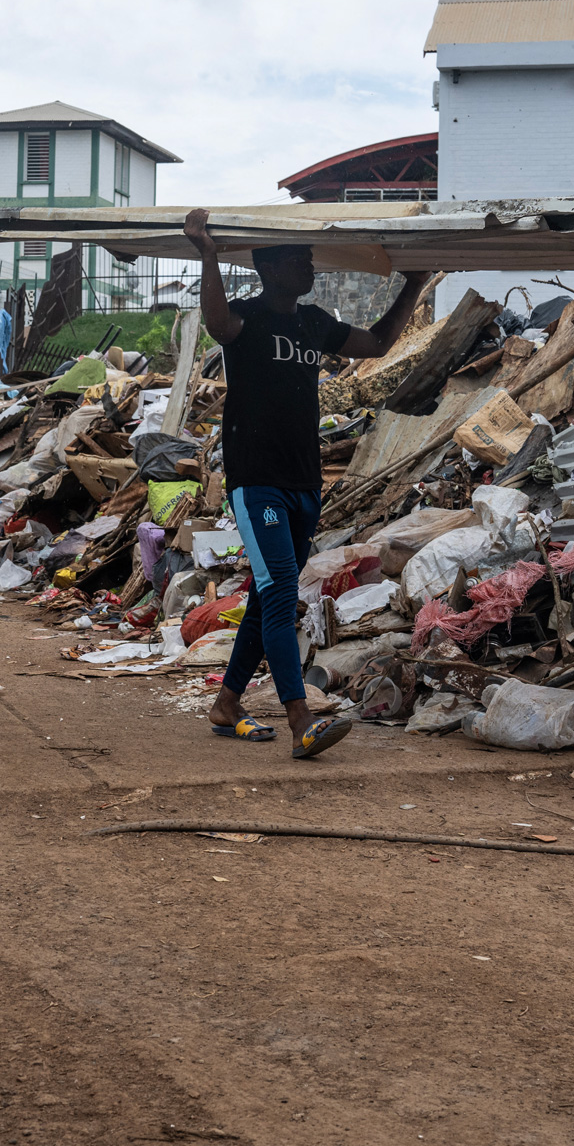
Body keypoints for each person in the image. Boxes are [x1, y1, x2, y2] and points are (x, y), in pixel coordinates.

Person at [181, 208, 430, 760]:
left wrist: (414, 283)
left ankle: (226, 703)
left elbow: (379, 343)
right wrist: (208, 253)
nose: (309, 263)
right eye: (298, 257)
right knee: (279, 595)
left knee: (271, 594)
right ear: (268, 266)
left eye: (309, 255)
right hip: (257, 481)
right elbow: (217, 326)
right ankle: (300, 722)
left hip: (303, 482)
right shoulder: (245, 318)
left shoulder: (314, 322)